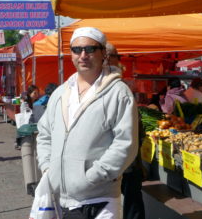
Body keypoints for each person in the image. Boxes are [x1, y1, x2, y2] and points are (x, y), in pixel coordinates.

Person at [36, 27, 138, 219]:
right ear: (71, 54)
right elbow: (44, 134)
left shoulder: (118, 92)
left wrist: (93, 176)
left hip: (99, 199)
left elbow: (126, 143)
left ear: (103, 53)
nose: (83, 55)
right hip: (61, 199)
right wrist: (48, 168)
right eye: (77, 49)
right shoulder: (60, 93)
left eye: (90, 49)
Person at [106, 42, 146, 219]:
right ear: (106, 57)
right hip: (122, 159)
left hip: (111, 159)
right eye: (117, 56)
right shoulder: (117, 86)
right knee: (131, 204)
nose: (120, 60)